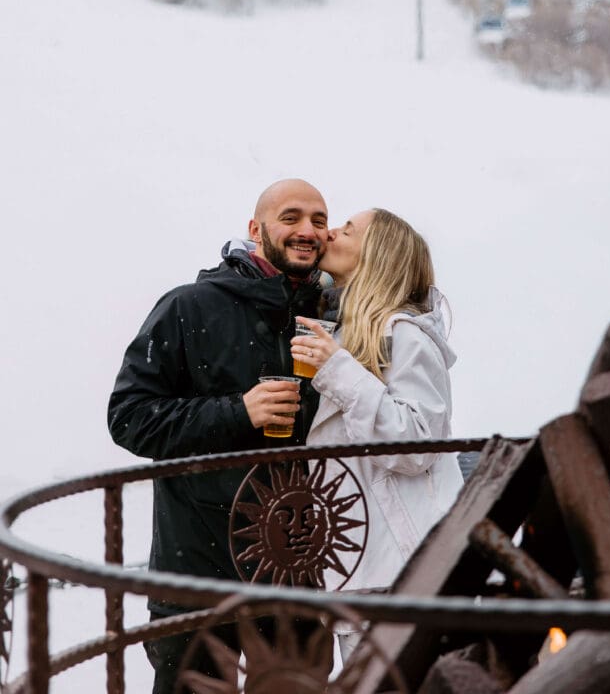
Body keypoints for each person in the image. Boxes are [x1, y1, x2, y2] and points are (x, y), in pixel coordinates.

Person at [107, 178, 329, 693]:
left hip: (294, 565)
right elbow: (129, 416)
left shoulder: (329, 315)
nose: (307, 230)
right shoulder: (188, 307)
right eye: (291, 217)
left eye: (319, 220)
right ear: (255, 230)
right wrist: (238, 411)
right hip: (198, 568)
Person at [291, 208, 464, 662]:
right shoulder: (348, 335)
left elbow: (416, 444)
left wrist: (336, 371)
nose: (329, 233)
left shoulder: (404, 335)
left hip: (407, 572)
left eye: (346, 230)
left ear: (377, 256)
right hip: (363, 571)